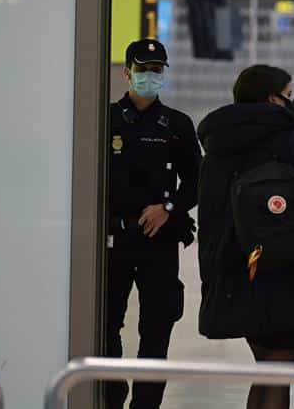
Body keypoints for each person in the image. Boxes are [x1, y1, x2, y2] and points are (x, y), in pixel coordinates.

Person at [196, 65, 294, 409]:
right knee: (279, 374)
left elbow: (209, 211)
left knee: (267, 370)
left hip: (240, 270)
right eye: (288, 93)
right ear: (272, 98)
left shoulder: (218, 142)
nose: (292, 100)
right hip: (289, 269)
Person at [105, 39, 202, 409]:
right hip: (113, 239)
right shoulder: (106, 119)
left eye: (156, 69)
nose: (149, 76)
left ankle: (146, 404)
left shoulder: (176, 125)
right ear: (127, 72)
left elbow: (196, 180)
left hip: (158, 241)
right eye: (143, 69)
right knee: (106, 327)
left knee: (156, 328)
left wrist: (168, 207)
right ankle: (110, 397)